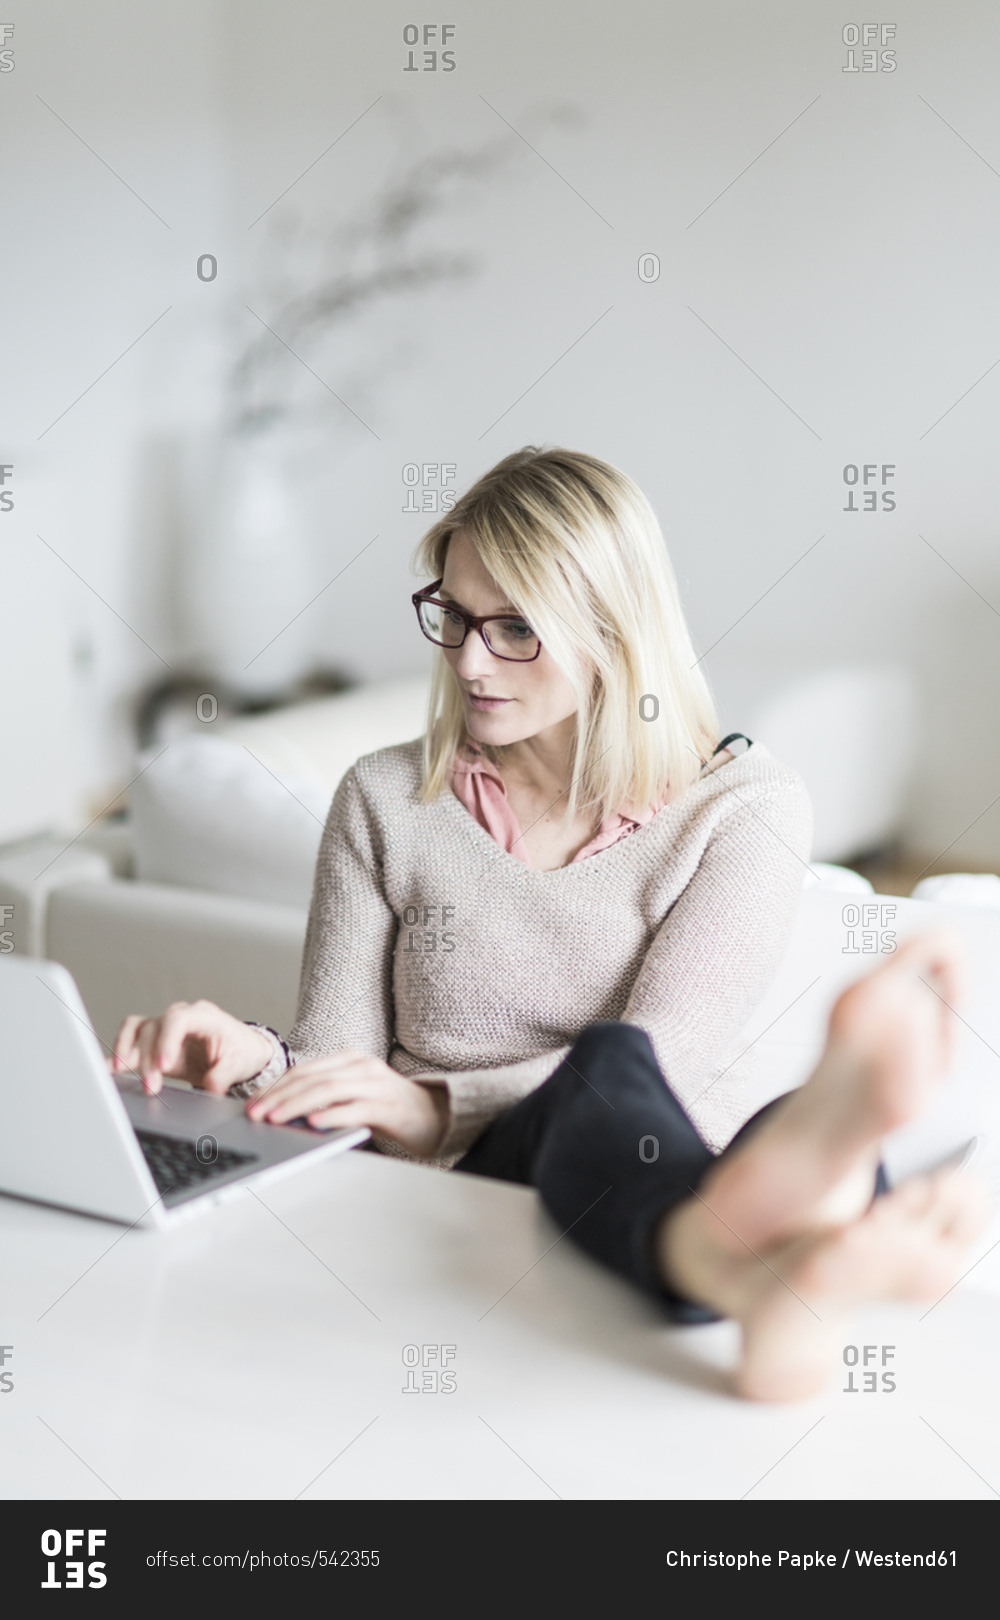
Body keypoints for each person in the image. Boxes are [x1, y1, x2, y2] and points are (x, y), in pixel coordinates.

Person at [112, 447, 989, 1400]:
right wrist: (258, 1059)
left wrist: (430, 1104)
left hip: (660, 1156)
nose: (469, 660)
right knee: (609, 1074)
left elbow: (669, 1061)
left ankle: (781, 1259)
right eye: (451, 615)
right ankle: (765, 1272)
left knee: (692, 1098)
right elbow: (345, 1073)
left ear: (613, 630)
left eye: (514, 628)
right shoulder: (384, 798)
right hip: (474, 1183)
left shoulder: (744, 809)